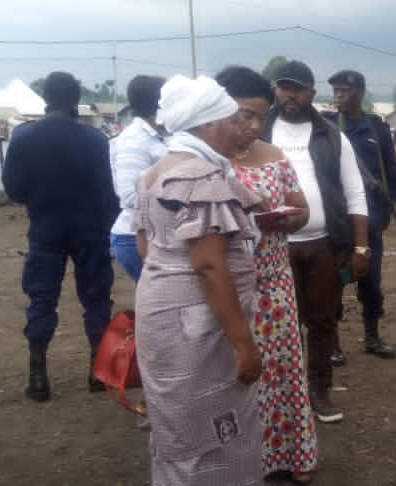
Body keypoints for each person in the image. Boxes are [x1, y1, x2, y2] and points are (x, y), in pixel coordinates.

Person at [133, 74, 263, 486]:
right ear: (207, 125)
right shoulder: (200, 176)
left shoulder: (156, 172)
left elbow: (145, 247)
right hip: (199, 326)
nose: (240, 130)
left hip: (163, 317)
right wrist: (244, 343)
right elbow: (209, 266)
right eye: (232, 120)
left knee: (180, 421)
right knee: (213, 427)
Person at [215, 66, 318, 484]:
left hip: (275, 284)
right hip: (227, 288)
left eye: (261, 116)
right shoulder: (206, 161)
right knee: (236, 374)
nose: (254, 126)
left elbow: (303, 210)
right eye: (244, 115)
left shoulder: (274, 157)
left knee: (281, 372)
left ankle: (291, 457)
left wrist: (284, 221)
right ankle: (241, 464)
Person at [261, 60, 371, 424]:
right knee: (279, 325)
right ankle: (282, 397)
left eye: (298, 88)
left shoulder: (331, 135)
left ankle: (319, 391)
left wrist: (359, 247)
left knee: (323, 321)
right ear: (276, 90)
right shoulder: (261, 130)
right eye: (284, 87)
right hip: (273, 248)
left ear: (311, 92)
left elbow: (355, 195)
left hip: (323, 245)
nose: (290, 95)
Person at [2, 71, 118, 402]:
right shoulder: (95, 139)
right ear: (76, 99)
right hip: (89, 229)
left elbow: (13, 189)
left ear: (45, 99)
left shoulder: (24, 137)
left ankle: (38, 376)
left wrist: (38, 199)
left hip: (45, 228)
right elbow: (106, 192)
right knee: (96, 298)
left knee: (41, 299)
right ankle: (98, 372)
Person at [329, 70, 396, 362]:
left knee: (370, 282)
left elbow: (393, 177)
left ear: (360, 92)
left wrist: (385, 214)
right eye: (335, 91)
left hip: (370, 222)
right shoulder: (328, 127)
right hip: (337, 221)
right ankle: (332, 343)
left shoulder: (377, 129)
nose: (338, 96)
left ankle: (372, 336)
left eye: (344, 90)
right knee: (333, 283)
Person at [110, 75, 167, 282]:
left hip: (149, 233)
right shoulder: (134, 140)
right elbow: (130, 195)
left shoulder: (154, 136)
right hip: (135, 236)